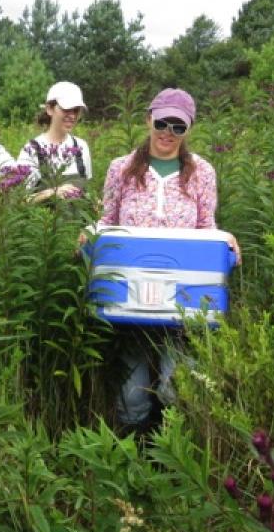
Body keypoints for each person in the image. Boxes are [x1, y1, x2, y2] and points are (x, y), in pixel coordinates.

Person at [98, 87, 241, 431]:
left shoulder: (202, 172)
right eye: (163, 123)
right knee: (131, 391)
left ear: (189, 129)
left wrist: (226, 242)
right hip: (131, 298)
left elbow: (207, 225)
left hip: (184, 299)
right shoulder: (121, 168)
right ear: (149, 119)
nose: (168, 133)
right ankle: (132, 450)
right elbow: (108, 220)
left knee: (175, 386)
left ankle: (172, 449)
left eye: (179, 126)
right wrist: (89, 236)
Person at [17, 81, 93, 201]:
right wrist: (52, 193)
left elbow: (85, 191)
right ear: (49, 109)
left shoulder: (81, 147)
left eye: (76, 110)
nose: (72, 116)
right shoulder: (32, 149)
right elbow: (21, 200)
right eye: (66, 109)